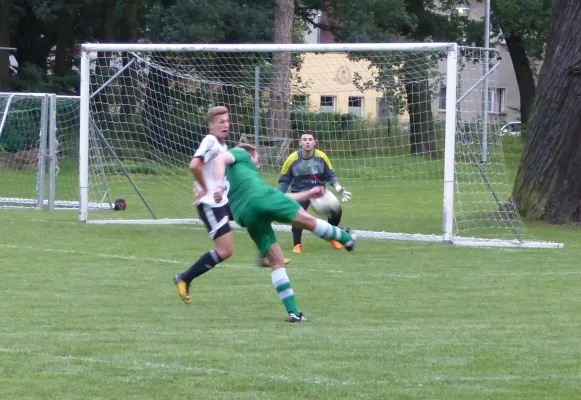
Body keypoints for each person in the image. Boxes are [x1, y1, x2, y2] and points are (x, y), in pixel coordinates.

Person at [213, 143, 356, 322]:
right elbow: (220, 158)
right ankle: (347, 238)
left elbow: (276, 197)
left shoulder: (241, 178)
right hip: (259, 199)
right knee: (308, 221)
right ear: (250, 155)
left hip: (244, 213)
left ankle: (294, 313)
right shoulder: (240, 153)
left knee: (277, 261)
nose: (258, 164)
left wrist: (308, 194)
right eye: (257, 159)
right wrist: (218, 187)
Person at [173, 106, 234, 305]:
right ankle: (184, 278)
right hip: (210, 205)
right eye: (220, 122)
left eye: (226, 121)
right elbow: (194, 164)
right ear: (211, 126)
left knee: (252, 214)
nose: (225, 125)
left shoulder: (222, 146)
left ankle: (268, 256)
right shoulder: (210, 141)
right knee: (225, 250)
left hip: (222, 201)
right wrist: (205, 188)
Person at [278, 131, 351, 253]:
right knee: (297, 214)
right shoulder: (292, 159)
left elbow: (330, 175)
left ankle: (332, 236)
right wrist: (279, 195)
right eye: (305, 139)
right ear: (300, 143)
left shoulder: (322, 157)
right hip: (300, 192)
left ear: (314, 142)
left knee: (337, 209)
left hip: (319, 192)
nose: (307, 142)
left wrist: (338, 188)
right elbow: (284, 180)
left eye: (310, 139)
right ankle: (297, 244)